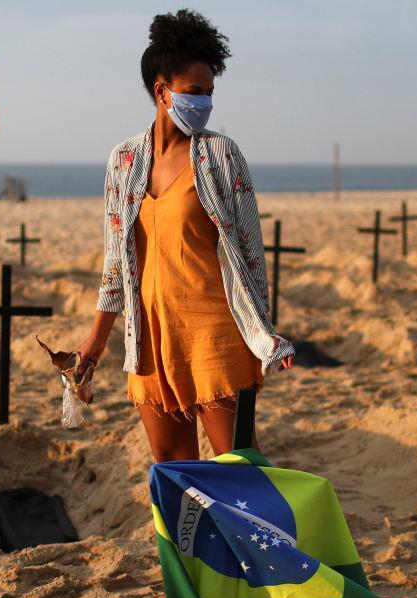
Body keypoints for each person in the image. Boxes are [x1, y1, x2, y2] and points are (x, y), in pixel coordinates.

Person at [76, 9, 295, 463]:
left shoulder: (220, 155)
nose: (206, 104)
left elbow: (251, 255)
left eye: (210, 93)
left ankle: (274, 538)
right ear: (162, 91)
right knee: (174, 475)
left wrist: (264, 334)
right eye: (196, 93)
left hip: (213, 335)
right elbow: (116, 262)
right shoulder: (122, 162)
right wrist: (95, 342)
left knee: (239, 470)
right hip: (151, 341)